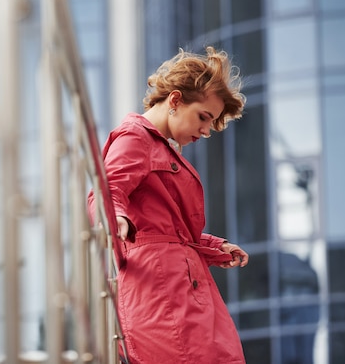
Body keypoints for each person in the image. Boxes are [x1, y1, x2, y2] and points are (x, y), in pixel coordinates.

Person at [87, 46, 250, 363]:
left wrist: (214, 246)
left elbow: (166, 225)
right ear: (175, 100)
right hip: (160, 291)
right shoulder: (136, 137)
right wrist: (114, 216)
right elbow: (106, 191)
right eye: (203, 117)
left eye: (212, 122)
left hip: (182, 287)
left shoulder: (159, 147)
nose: (205, 130)